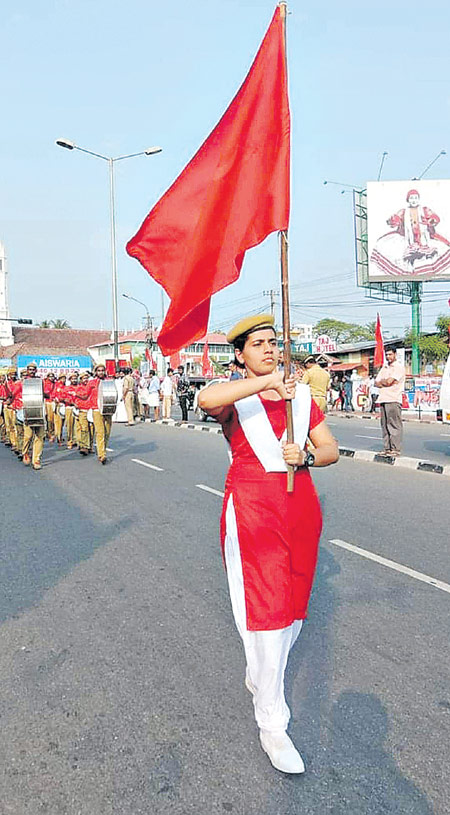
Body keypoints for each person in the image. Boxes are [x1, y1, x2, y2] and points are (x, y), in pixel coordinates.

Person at [198, 314, 338, 774]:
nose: (269, 350)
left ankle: (261, 673)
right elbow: (206, 398)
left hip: (301, 512)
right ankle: (273, 724)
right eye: (257, 344)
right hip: (255, 513)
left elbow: (330, 449)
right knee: (268, 611)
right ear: (240, 354)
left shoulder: (299, 398)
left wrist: (308, 456)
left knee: (294, 609)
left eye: (273, 343)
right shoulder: (237, 396)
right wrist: (265, 385)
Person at [375, 347, 405, 456]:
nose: (388, 357)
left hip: (393, 398)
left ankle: (395, 449)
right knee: (384, 425)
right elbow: (376, 382)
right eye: (387, 355)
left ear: (395, 354)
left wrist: (384, 382)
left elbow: (389, 382)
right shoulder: (385, 367)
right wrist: (385, 382)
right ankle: (387, 448)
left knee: (394, 425)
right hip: (383, 398)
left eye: (390, 354)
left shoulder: (398, 367)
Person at [20, 362, 46, 470]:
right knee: (28, 436)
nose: (32, 371)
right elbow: (14, 394)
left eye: (33, 369)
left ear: (36, 370)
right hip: (28, 411)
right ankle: (25, 452)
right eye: (30, 369)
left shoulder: (40, 381)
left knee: (40, 436)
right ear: (27, 370)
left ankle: (36, 459)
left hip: (39, 411)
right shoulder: (22, 382)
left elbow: (46, 393)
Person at [89, 363, 112, 464]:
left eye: (102, 370)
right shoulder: (91, 382)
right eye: (99, 370)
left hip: (107, 409)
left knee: (107, 432)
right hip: (96, 409)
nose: (101, 372)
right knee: (100, 432)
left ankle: (103, 450)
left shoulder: (109, 382)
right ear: (96, 372)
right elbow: (86, 394)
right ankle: (101, 454)